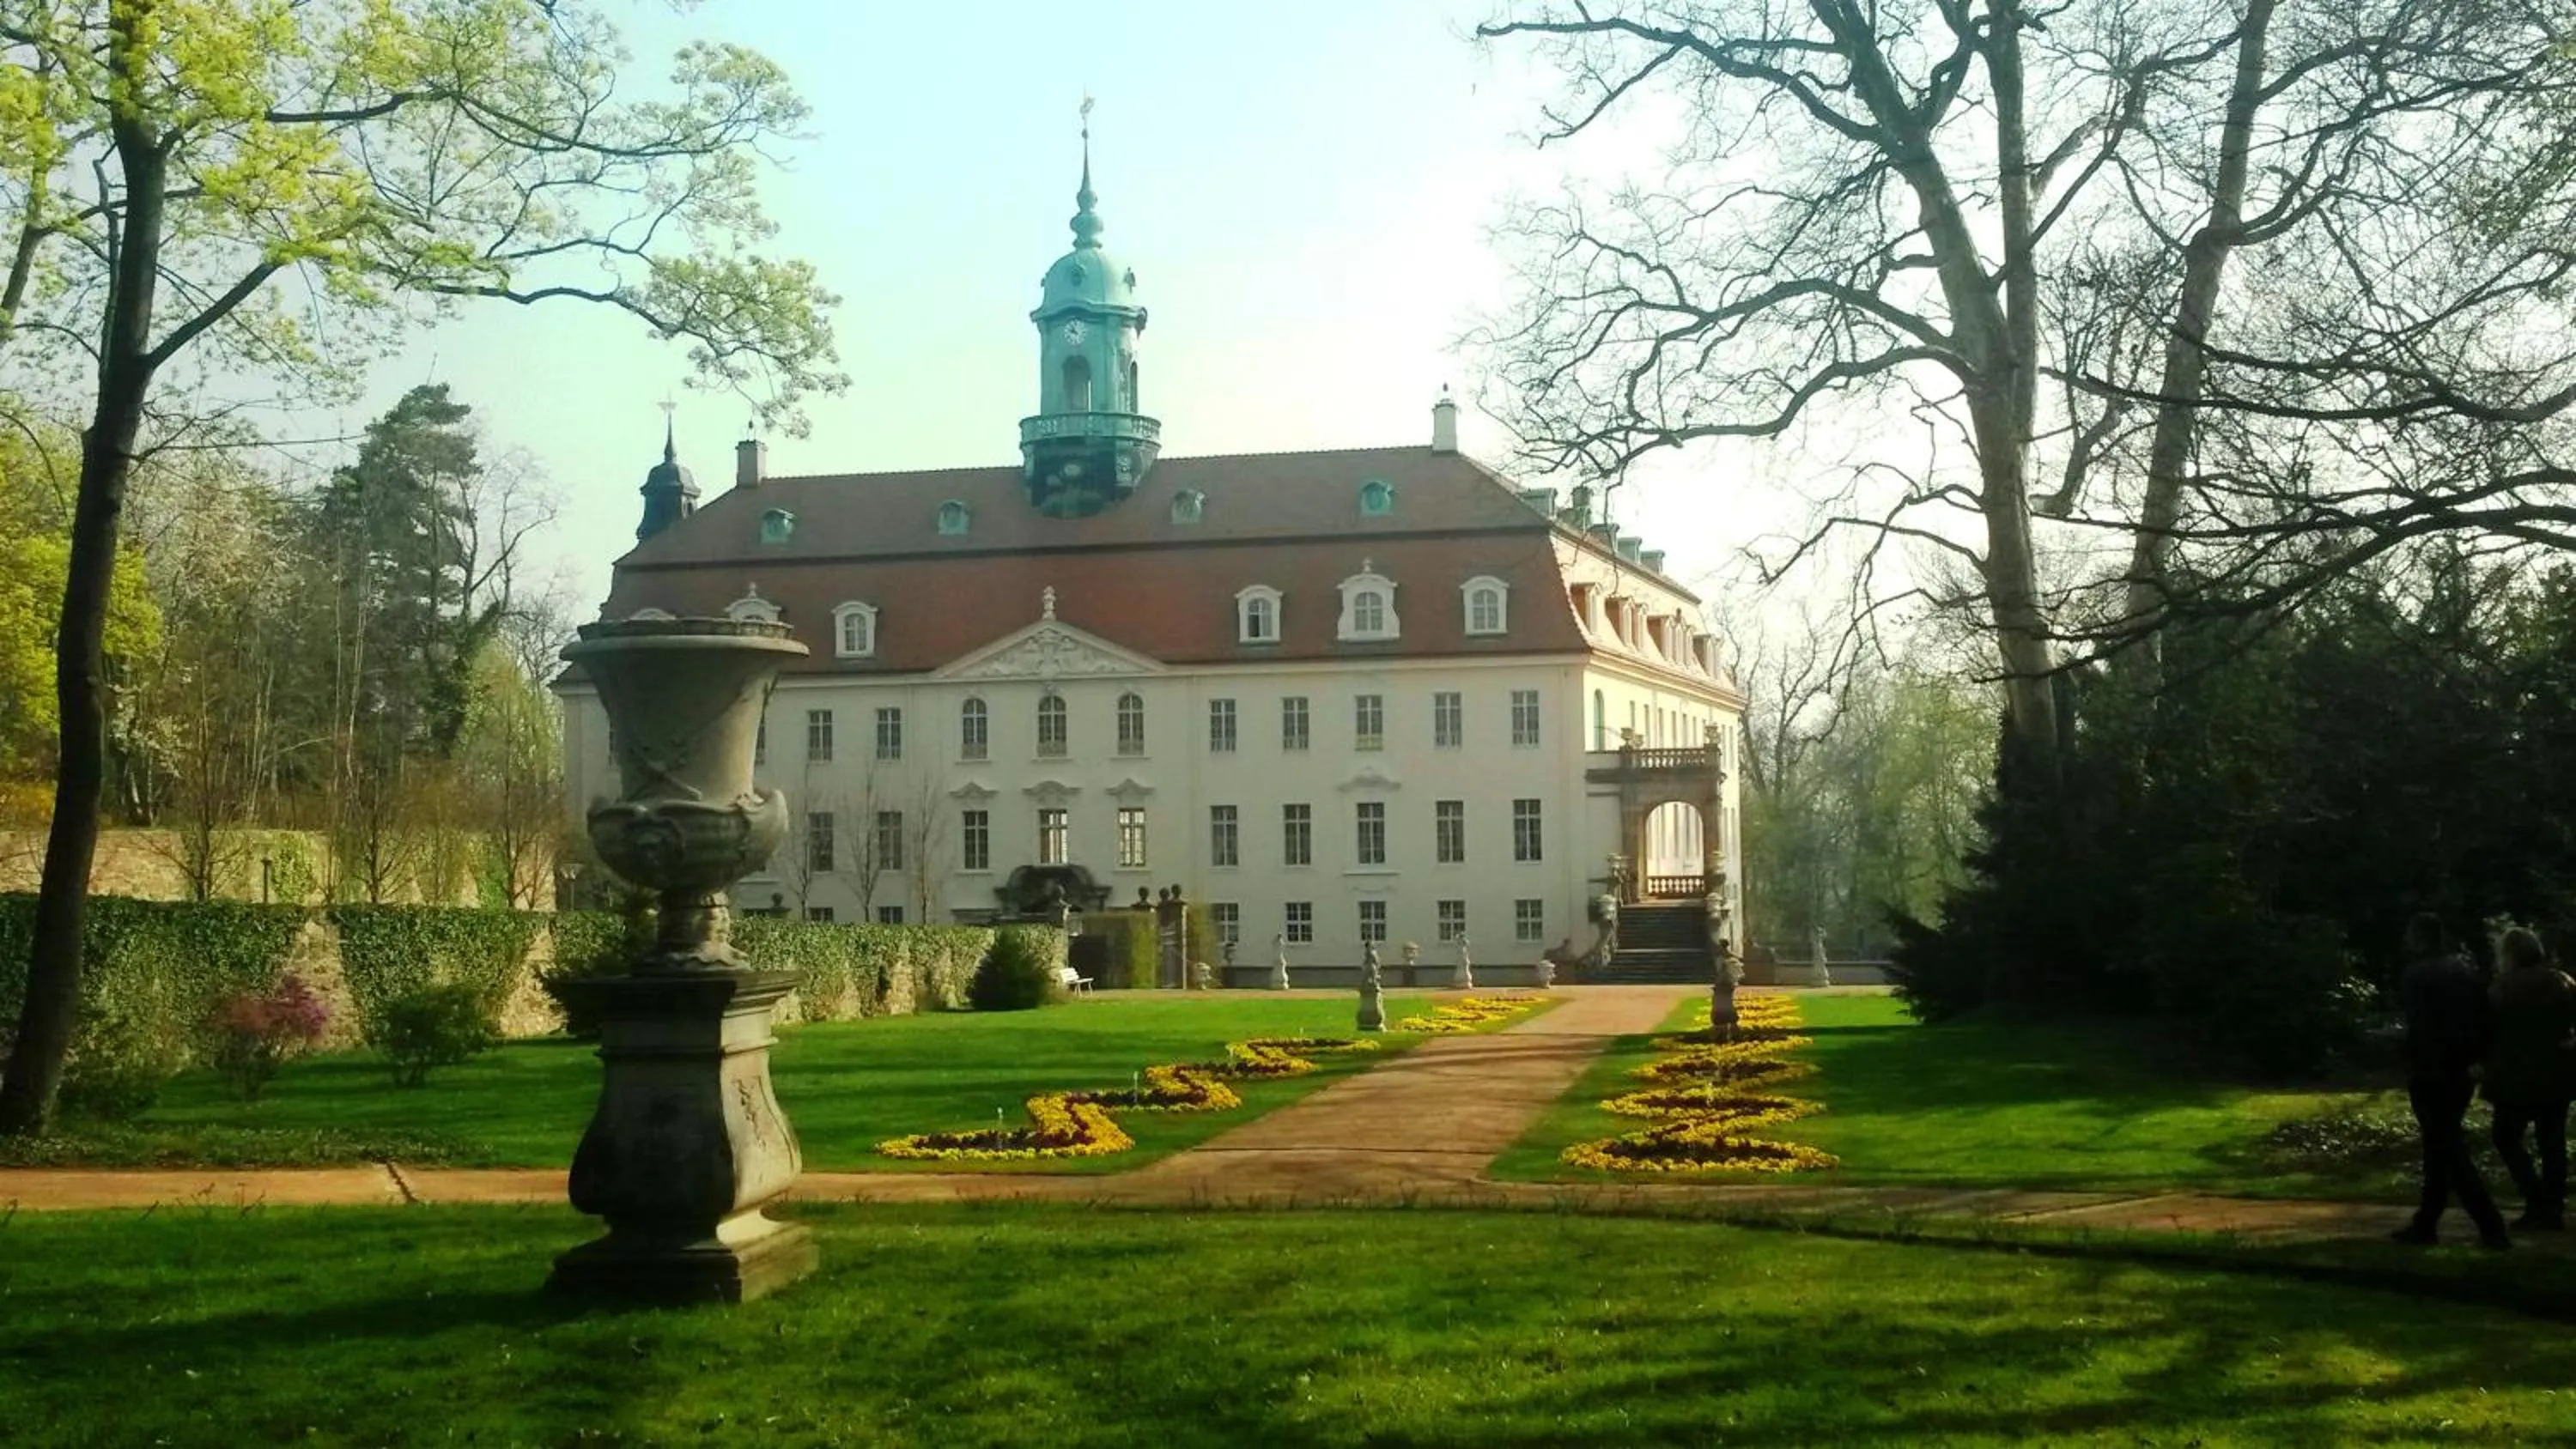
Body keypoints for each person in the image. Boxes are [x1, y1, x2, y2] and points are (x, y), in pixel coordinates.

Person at [2394, 912, 2511, 1248]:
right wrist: (2479, 1058)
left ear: (2418, 938)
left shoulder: (2417, 975)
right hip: (2461, 1072)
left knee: (2446, 1148)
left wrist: (2409, 1056)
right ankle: (2426, 1223)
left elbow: (2422, 1027)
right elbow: (2487, 1018)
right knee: (2441, 1146)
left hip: (2430, 1071)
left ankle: (2490, 1225)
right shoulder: (2464, 972)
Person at [2486, 926, 2575, 1231]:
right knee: (2552, 1141)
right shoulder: (2561, 981)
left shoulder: (2503, 987)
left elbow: (2489, 1027)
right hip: (2557, 1073)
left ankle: (2535, 1198)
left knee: (2505, 1136)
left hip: (2516, 1075)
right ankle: (2553, 1207)